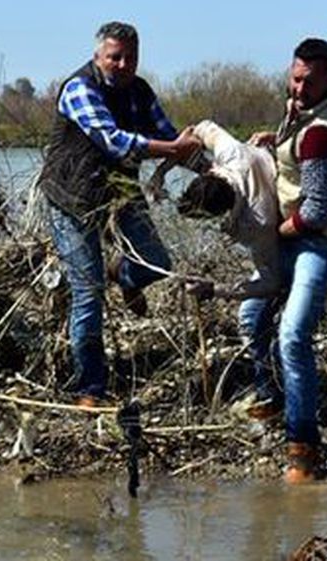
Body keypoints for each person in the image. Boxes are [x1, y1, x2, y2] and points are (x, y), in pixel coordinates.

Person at [38, 21, 201, 406]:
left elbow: (170, 136)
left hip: (122, 192)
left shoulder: (140, 91)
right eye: (115, 57)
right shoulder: (80, 88)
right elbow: (112, 140)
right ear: (99, 56)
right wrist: (172, 149)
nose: (123, 64)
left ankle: (124, 275)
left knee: (158, 262)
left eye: (130, 57)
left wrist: (219, 167)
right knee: (89, 289)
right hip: (72, 197)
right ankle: (89, 386)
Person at [244, 38, 327, 483]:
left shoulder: (322, 133)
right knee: (252, 314)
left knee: (293, 334)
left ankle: (303, 448)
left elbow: (315, 213)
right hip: (299, 227)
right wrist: (275, 140)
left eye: (308, 82)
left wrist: (268, 234)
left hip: (322, 238)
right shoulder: (305, 110)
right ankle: (271, 395)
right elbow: (299, 158)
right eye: (295, 78)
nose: (298, 88)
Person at [168, 119, 280, 301]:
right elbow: (202, 128)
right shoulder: (231, 153)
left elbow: (272, 282)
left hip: (292, 234)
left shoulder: (257, 223)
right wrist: (164, 168)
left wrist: (215, 290)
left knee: (249, 317)